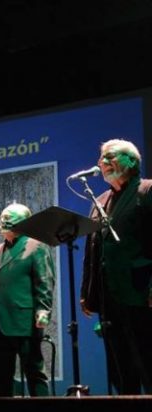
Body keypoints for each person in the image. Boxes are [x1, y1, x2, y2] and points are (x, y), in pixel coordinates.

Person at [80, 139, 152, 394]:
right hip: (109, 298)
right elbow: (92, 250)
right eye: (101, 158)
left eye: (110, 156)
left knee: (147, 362)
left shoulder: (147, 190)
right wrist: (87, 292)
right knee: (120, 371)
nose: (103, 162)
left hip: (142, 293)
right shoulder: (99, 200)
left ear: (132, 161)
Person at [0, 203, 53, 397]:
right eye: (3, 217)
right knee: (0, 379)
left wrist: (43, 311)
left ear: (25, 222)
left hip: (25, 323)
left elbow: (44, 282)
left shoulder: (36, 245)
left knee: (35, 375)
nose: (5, 220)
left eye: (11, 217)